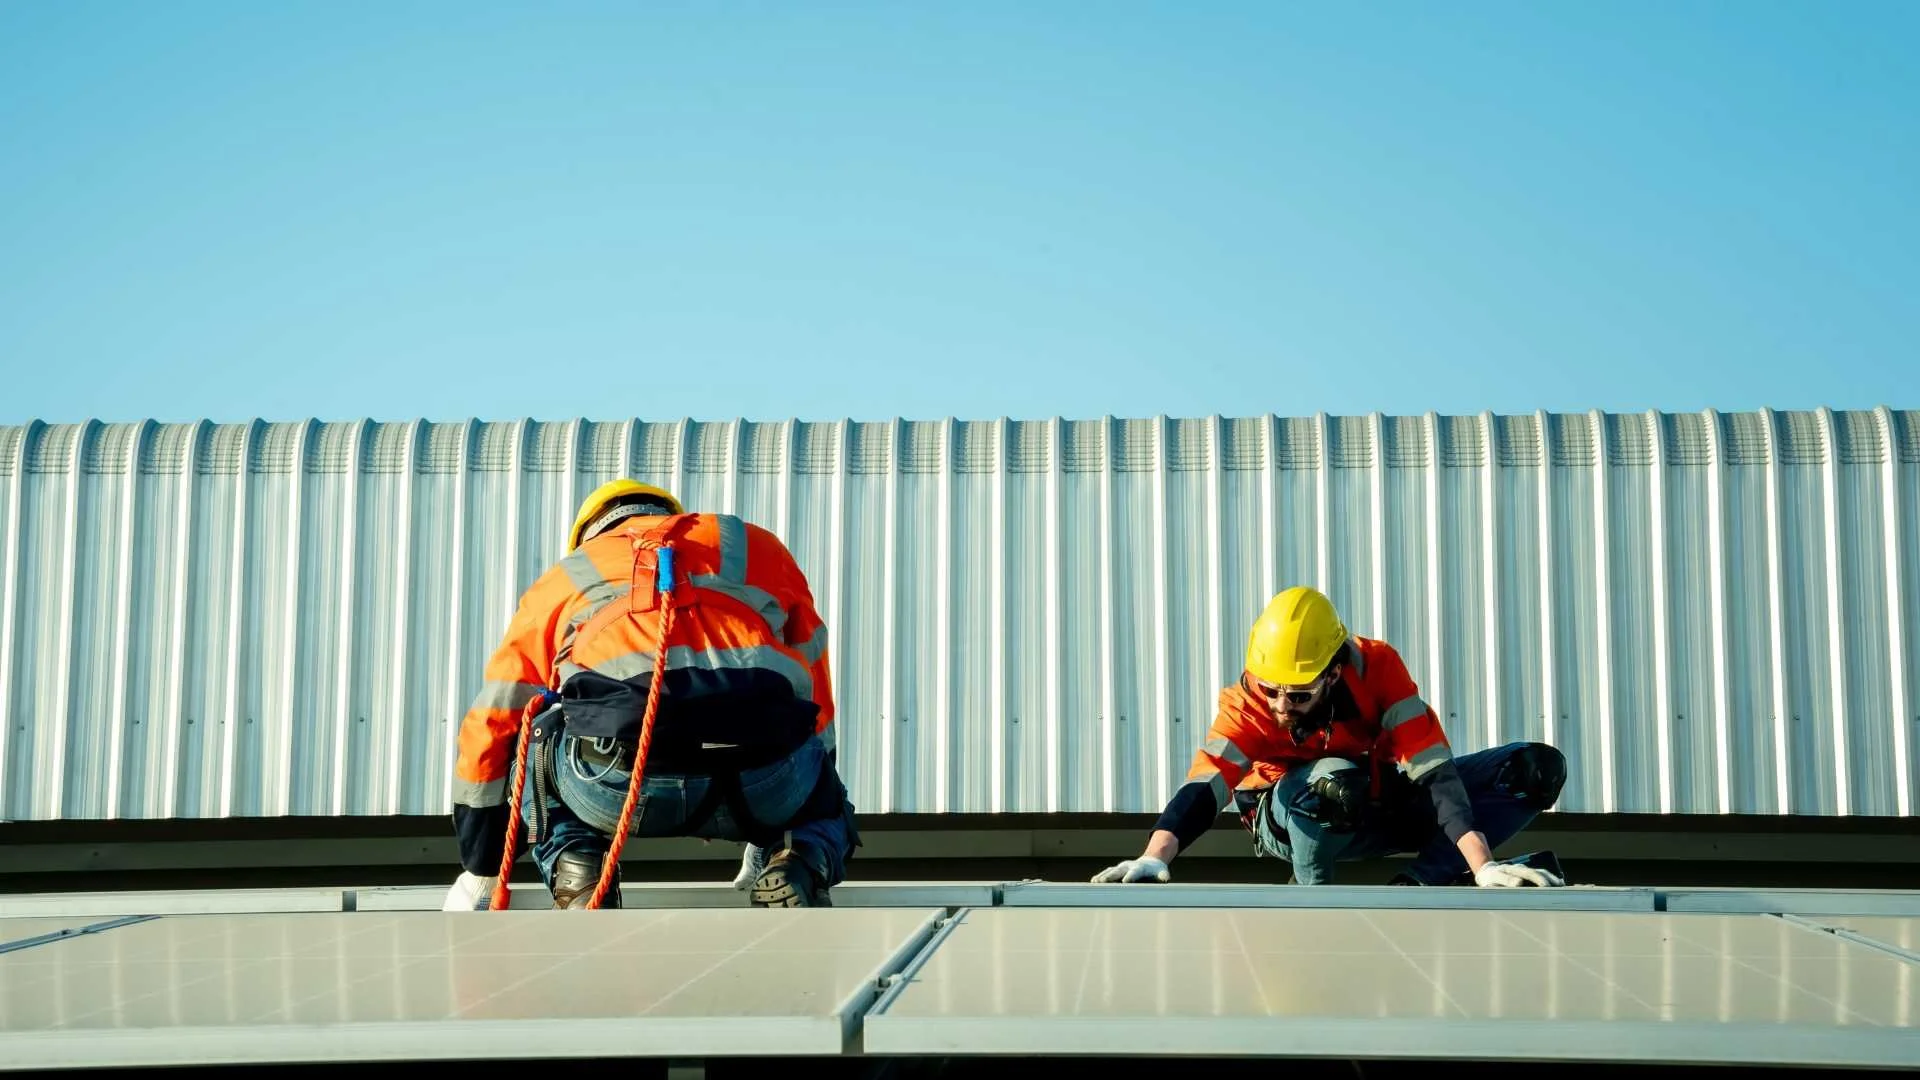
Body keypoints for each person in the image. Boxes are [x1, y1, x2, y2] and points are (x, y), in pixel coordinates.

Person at [441, 479, 858, 910]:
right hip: (764, 779)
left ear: (591, 535)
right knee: (812, 760)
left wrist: (481, 864)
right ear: (672, 514)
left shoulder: (567, 575)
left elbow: (496, 714)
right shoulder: (756, 547)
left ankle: (577, 867)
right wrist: (809, 788)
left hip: (614, 783)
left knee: (540, 726)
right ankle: (799, 856)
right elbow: (813, 683)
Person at [1093, 585, 1567, 888]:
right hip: (1291, 815)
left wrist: (1483, 865)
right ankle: (1311, 897)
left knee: (1534, 768)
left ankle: (1419, 886)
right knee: (1332, 781)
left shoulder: (1380, 670)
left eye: (1297, 696)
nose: (1280, 706)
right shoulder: (1248, 702)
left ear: (1334, 673)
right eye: (1270, 690)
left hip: (1381, 801)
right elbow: (1205, 786)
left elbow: (1434, 771)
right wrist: (1155, 857)